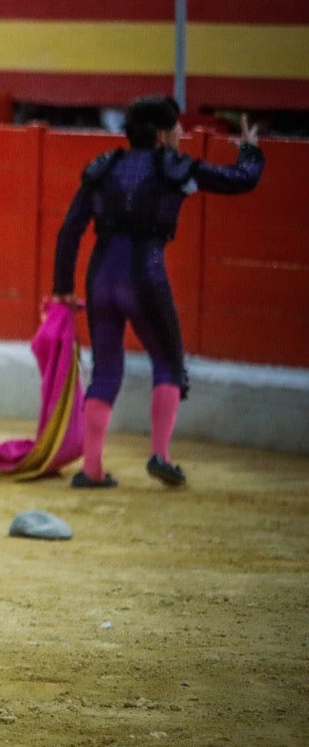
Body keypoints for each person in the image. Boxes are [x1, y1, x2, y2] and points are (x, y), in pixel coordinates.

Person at [50, 95, 262, 489]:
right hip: (144, 275)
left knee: (106, 369)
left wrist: (63, 286)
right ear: (163, 134)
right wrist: (250, 150)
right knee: (167, 361)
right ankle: (161, 455)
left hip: (101, 278)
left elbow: (70, 230)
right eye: (177, 127)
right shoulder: (174, 169)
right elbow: (241, 180)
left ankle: (92, 469)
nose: (181, 133)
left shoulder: (103, 168)